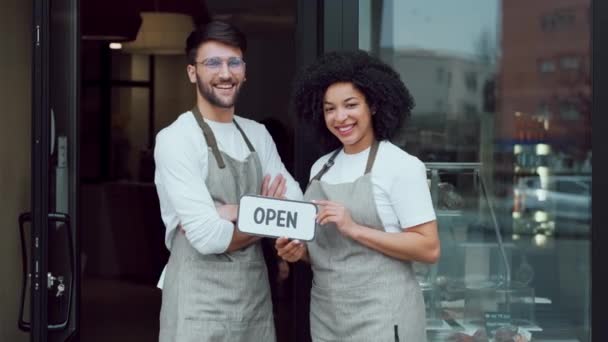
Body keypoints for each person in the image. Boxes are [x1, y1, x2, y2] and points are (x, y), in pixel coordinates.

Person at [276, 50, 440, 341]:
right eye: (329, 109)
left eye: (350, 105)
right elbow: (329, 254)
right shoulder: (321, 168)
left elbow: (428, 248)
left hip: (384, 316)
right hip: (328, 316)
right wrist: (300, 254)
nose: (340, 117)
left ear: (373, 105)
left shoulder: (401, 166)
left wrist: (354, 228)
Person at [154, 20, 302, 342]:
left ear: (245, 71)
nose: (225, 73)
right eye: (213, 63)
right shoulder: (176, 139)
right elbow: (208, 237)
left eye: (234, 62)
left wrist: (231, 211)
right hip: (197, 303)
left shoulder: (257, 135)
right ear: (192, 72)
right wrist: (266, 211)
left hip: (254, 299)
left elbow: (298, 211)